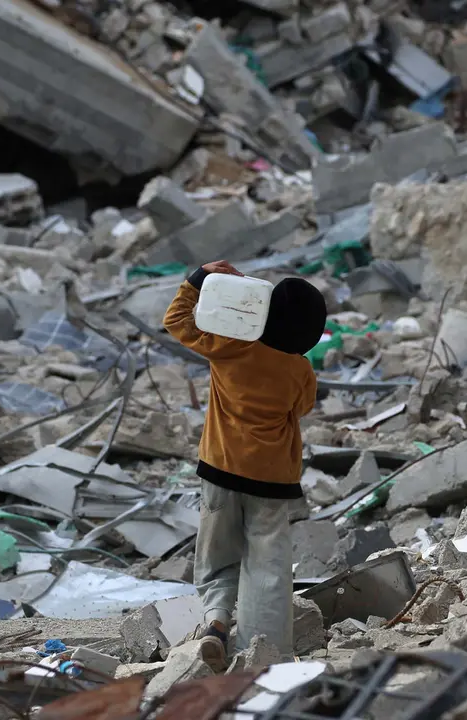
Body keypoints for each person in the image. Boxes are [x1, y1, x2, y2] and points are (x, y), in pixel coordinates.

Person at [162, 260, 327, 670]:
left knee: (217, 554)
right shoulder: (301, 370)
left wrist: (200, 278)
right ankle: (265, 653)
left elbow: (176, 320)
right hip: (273, 480)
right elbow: (302, 409)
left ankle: (216, 621)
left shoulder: (231, 346)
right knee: (267, 564)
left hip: (220, 468)